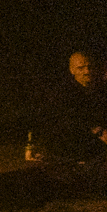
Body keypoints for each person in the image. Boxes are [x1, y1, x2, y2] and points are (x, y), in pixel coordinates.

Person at [28, 50, 107, 192]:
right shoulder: (63, 94)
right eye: (81, 68)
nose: (87, 71)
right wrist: (98, 131)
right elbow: (68, 122)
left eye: (89, 67)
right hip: (76, 147)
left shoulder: (99, 91)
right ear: (72, 70)